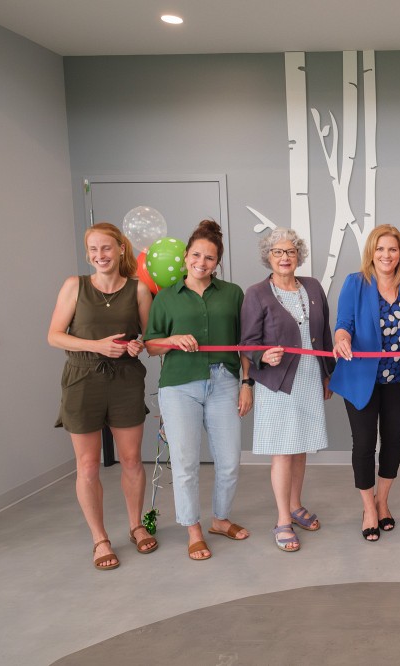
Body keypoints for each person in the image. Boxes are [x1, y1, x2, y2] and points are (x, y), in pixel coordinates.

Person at [48, 222, 155, 570]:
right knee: (88, 465)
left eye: (106, 248)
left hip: (125, 380)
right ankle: (100, 539)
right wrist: (97, 346)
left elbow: (149, 340)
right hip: (82, 380)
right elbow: (54, 336)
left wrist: (139, 345)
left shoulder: (139, 290)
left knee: (132, 461)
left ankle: (136, 525)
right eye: (93, 250)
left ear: (121, 248)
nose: (99, 256)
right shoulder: (74, 286)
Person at [145, 220, 252, 561]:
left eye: (209, 258)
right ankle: (193, 529)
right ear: (186, 256)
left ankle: (220, 520)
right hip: (179, 387)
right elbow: (151, 346)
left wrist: (246, 383)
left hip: (224, 382)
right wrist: (171, 340)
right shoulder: (165, 298)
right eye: (196, 255)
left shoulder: (233, 293)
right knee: (187, 463)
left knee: (229, 462)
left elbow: (245, 344)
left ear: (217, 262)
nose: (201, 263)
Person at [240, 228, 334, 552]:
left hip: (309, 378)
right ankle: (282, 519)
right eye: (278, 252)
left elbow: (324, 334)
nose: (284, 257)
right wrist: (261, 356)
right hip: (277, 383)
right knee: (282, 449)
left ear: (299, 256)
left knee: (300, 446)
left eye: (290, 252)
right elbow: (246, 343)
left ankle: (296, 505)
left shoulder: (312, 287)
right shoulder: (256, 293)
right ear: (268, 256)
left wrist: (326, 376)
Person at [330, 225, 400, 542]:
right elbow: (343, 325)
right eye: (381, 248)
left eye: (393, 249)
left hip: (398, 380)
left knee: (394, 442)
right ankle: (368, 508)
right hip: (360, 379)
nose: (386, 255)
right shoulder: (355, 283)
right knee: (364, 444)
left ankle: (382, 501)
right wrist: (341, 340)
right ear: (372, 251)